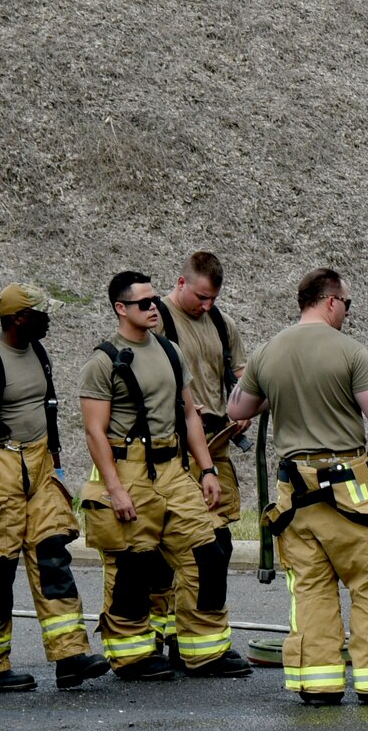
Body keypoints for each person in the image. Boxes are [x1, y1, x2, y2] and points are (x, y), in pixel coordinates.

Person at [229, 267, 368, 706]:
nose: (348, 313)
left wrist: (275, 390)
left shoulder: (268, 353)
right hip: (350, 495)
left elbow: (238, 408)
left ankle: (317, 682)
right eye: (348, 304)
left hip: (295, 500)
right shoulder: (349, 351)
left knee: (311, 589)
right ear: (330, 302)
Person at [0, 284, 112, 693]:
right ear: (17, 319)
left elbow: (48, 414)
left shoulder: (38, 352)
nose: (48, 319)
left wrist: (59, 469)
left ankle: (70, 656)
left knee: (52, 556)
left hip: (40, 463)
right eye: (39, 313)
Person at [77, 271, 250, 681]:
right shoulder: (103, 361)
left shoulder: (171, 351)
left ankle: (204, 651)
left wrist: (207, 469)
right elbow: (94, 432)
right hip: (128, 470)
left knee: (205, 553)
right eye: (143, 303)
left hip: (172, 467)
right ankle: (131, 655)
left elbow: (189, 414)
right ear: (121, 308)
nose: (153, 307)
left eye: (154, 300)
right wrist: (115, 489)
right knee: (133, 567)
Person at [153, 250, 249, 662]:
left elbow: (242, 375)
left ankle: (197, 638)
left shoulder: (221, 323)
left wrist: (244, 407)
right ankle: (169, 636)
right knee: (172, 551)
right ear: (180, 283)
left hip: (216, 447)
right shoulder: (156, 319)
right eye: (201, 297)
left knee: (217, 545)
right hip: (173, 452)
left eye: (212, 299)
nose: (207, 306)